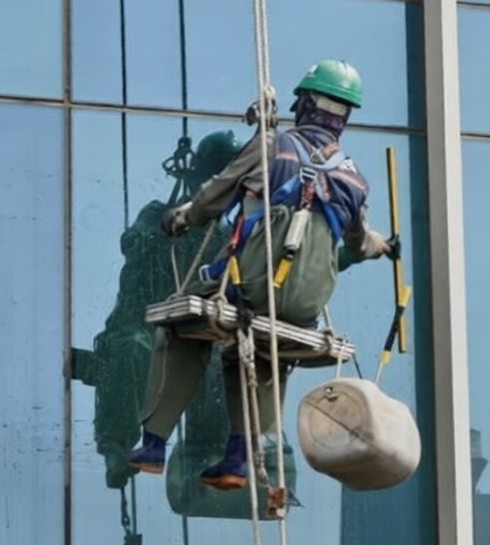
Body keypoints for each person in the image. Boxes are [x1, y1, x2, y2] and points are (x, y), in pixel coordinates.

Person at [126, 58, 400, 490]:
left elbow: (212, 200)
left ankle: (154, 443)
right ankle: (240, 457)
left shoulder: (273, 145)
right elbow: (359, 242)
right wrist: (385, 246)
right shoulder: (355, 178)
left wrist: (179, 219)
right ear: (344, 116)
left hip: (251, 285)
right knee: (267, 346)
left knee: (180, 325)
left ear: (305, 103)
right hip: (306, 304)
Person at [72, 131, 242, 488]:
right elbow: (133, 244)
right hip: (140, 326)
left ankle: (213, 458)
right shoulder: (156, 214)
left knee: (220, 368)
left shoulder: (229, 240)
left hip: (191, 337)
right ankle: (117, 447)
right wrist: (171, 225)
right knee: (135, 349)